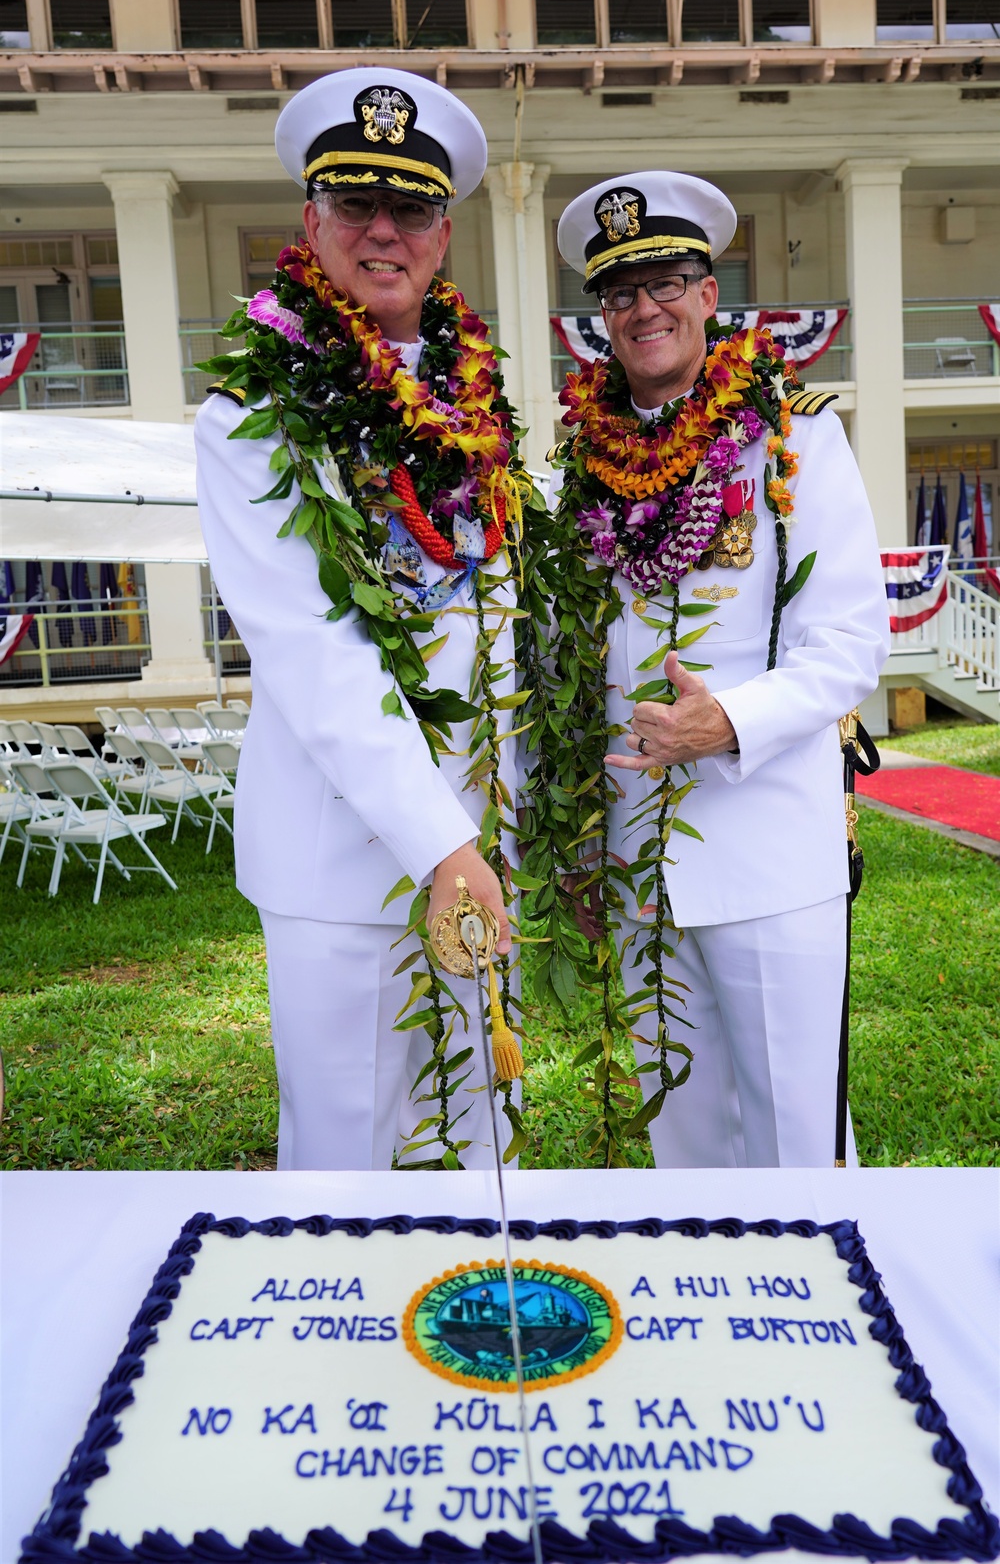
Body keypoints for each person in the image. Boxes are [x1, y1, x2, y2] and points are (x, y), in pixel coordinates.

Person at [195, 69, 530, 1171]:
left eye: (413, 210)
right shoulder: (253, 416)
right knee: (345, 1153)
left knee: (484, 1127)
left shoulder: (478, 408)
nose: (383, 231)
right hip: (343, 863)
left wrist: (516, 824)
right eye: (355, 204)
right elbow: (313, 656)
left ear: (442, 236)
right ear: (311, 221)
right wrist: (447, 842)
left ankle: (482, 1343)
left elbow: (508, 621)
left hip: (488, 835)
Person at [548, 170, 890, 1167]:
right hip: (633, 860)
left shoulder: (795, 437)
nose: (643, 309)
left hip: (768, 849)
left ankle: (828, 1312)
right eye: (618, 293)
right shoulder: (581, 468)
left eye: (665, 282)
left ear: (708, 291)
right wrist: (577, 837)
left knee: (797, 1134)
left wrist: (727, 721)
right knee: (680, 1145)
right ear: (600, 318)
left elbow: (849, 643)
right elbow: (573, 661)